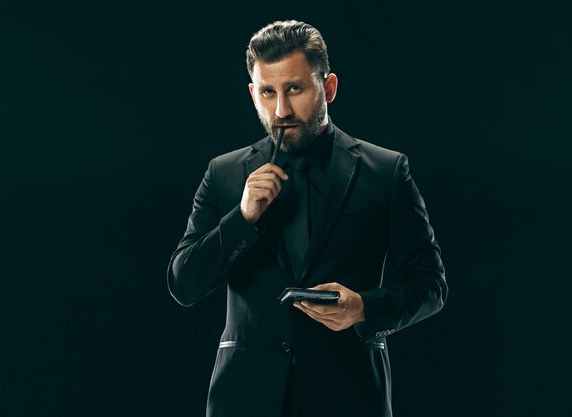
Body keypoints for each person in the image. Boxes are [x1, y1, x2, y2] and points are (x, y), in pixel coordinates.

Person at [167, 20, 448, 417]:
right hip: (244, 400)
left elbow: (430, 284)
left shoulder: (386, 171)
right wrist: (242, 218)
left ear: (328, 87)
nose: (281, 110)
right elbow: (184, 283)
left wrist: (363, 308)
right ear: (253, 93)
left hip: (351, 397)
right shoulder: (224, 174)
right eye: (267, 92)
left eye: (294, 89)